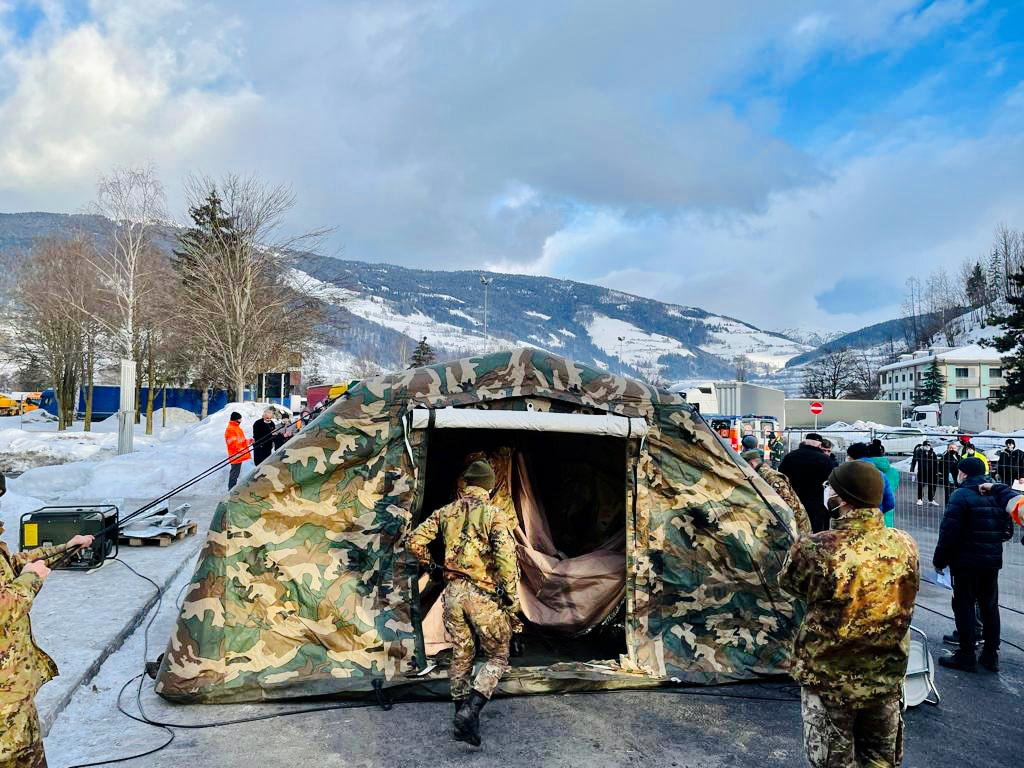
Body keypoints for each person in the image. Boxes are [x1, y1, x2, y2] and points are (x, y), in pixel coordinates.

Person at [781, 461, 919, 768]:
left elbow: (790, 584)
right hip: (886, 672)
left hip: (830, 676)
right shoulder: (904, 543)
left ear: (842, 498)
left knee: (833, 761)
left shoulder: (815, 547)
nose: (827, 492)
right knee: (881, 761)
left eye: (831, 487)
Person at [406, 459, 520, 746]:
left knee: (461, 653)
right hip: (483, 595)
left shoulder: (447, 511)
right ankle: (472, 710)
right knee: (498, 656)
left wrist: (432, 567)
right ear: (489, 485)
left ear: (467, 484)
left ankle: (463, 722)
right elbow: (506, 560)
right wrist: (512, 599)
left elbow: (414, 540)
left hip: (453, 593)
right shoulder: (495, 514)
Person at [1, 522, 95, 767]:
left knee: (30, 754)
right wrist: (31, 579)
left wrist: (65, 549)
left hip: (15, 692)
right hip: (4, 705)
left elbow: (11, 567)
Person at [933, 457, 1014, 672]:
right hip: (991, 561)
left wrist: (939, 560)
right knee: (989, 606)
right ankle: (990, 654)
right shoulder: (997, 493)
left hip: (965, 561)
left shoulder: (960, 495)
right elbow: (1008, 530)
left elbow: (948, 532)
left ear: (963, 473)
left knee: (964, 605)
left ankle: (966, 654)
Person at [742, 449, 812, 536]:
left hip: (797, 527)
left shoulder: (771, 477)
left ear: (751, 464)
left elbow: (787, 504)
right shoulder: (760, 476)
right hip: (789, 526)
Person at [779, 433, 834, 533]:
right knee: (815, 531)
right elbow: (830, 482)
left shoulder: (790, 457)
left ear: (805, 442)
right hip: (816, 503)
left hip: (794, 500)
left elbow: (781, 477)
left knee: (795, 529)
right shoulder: (825, 460)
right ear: (819, 445)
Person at [846, 443, 896, 526]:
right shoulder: (880, 474)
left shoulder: (845, 473)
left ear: (850, 456)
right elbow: (890, 502)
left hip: (850, 521)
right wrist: (878, 512)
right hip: (874, 520)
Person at [224, 412, 253, 489]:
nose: (241, 420)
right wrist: (241, 450)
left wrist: (249, 441)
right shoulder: (231, 429)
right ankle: (231, 490)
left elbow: (241, 441)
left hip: (239, 454)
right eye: (240, 419)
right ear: (236, 419)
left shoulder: (236, 428)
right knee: (234, 474)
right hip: (235, 455)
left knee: (235, 474)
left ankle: (232, 489)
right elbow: (233, 444)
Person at [910, 440, 940, 506]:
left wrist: (937, 471)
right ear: (923, 446)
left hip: (931, 472)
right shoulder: (919, 452)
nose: (927, 447)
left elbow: (936, 463)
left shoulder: (932, 452)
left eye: (929, 445)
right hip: (922, 471)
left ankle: (931, 499)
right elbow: (914, 461)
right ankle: (919, 499)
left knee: (932, 485)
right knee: (921, 485)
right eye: (926, 445)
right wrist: (912, 470)